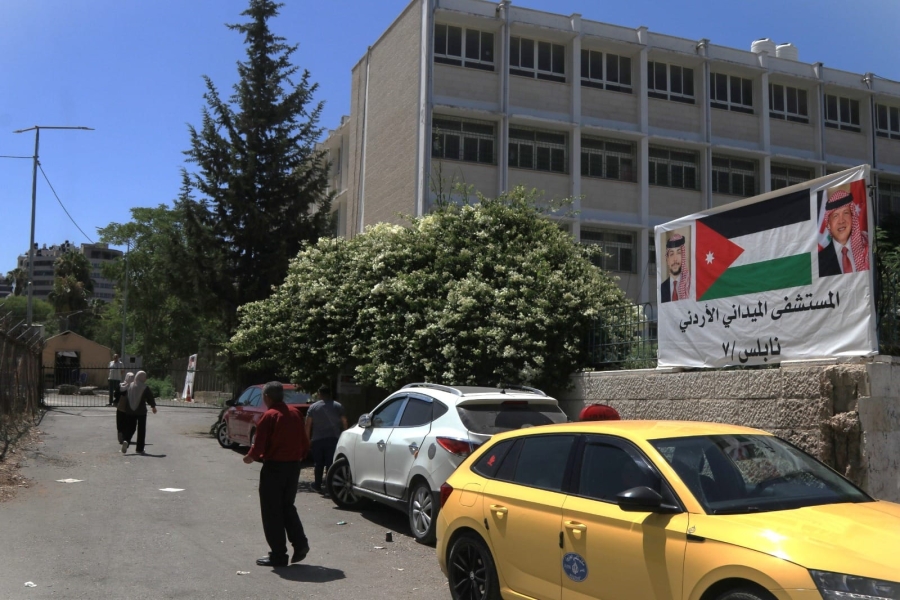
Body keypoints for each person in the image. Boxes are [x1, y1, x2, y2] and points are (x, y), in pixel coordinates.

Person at [243, 381, 311, 567]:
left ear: (267, 397)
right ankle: (300, 543)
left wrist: (250, 457)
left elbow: (260, 444)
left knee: (272, 511)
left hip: (274, 468)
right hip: (293, 467)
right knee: (287, 506)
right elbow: (304, 441)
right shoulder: (295, 413)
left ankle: (278, 554)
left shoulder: (269, 416)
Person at [305, 384, 347, 494]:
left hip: (317, 439)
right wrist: (345, 433)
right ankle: (329, 486)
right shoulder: (338, 406)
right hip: (333, 438)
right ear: (330, 394)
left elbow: (308, 424)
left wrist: (307, 439)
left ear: (319, 394)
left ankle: (317, 485)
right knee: (330, 463)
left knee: (318, 463)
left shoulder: (313, 407)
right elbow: (344, 421)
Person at [818, 189, 870, 277]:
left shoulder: (867, 251)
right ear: (828, 224)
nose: (841, 221)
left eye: (846, 213)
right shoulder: (819, 261)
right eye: (835, 216)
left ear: (852, 217)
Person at [119, 371, 157, 454]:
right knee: (141, 429)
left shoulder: (130, 385)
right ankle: (139, 449)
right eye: (145, 377)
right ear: (142, 377)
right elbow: (150, 397)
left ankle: (126, 441)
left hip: (129, 410)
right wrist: (153, 406)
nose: (145, 378)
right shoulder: (144, 387)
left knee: (130, 427)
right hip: (141, 411)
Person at [660, 233, 690, 303]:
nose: (675, 259)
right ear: (667, 260)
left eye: (679, 253)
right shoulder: (662, 288)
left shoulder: (690, 284)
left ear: (683, 257)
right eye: (671, 254)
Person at [115, 372, 135, 444]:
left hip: (120, 407)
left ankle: (121, 437)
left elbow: (116, 395)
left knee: (120, 422)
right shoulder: (134, 387)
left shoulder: (121, 385)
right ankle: (126, 437)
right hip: (130, 408)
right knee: (128, 422)